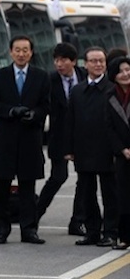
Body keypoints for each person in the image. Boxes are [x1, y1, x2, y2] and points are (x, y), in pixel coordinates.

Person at [0, 35, 50, 244]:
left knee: (28, 186)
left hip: (30, 137)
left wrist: (36, 115)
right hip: (5, 137)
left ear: (31, 52)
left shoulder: (41, 76)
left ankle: (29, 229)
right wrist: (11, 111)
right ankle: (1, 229)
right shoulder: (0, 75)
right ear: (10, 52)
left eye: (25, 50)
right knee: (2, 185)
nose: (21, 54)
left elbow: (46, 104)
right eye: (17, 50)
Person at [66, 47, 118, 247]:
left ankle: (111, 232)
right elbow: (70, 121)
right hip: (84, 149)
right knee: (87, 193)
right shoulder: (77, 91)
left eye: (101, 61)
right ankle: (92, 231)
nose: (98, 65)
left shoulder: (112, 88)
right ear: (85, 64)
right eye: (94, 61)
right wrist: (69, 148)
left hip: (108, 149)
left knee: (110, 194)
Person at [36, 43, 87, 236]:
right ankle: (35, 216)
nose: (59, 64)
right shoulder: (49, 81)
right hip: (59, 137)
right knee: (58, 177)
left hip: (83, 137)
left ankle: (77, 221)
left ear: (73, 61)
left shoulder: (83, 76)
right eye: (56, 60)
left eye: (63, 60)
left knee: (84, 180)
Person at [105, 57, 130, 250]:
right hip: (122, 155)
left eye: (128, 70)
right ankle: (124, 236)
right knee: (123, 196)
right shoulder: (109, 96)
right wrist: (122, 149)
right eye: (121, 71)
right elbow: (108, 127)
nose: (125, 74)